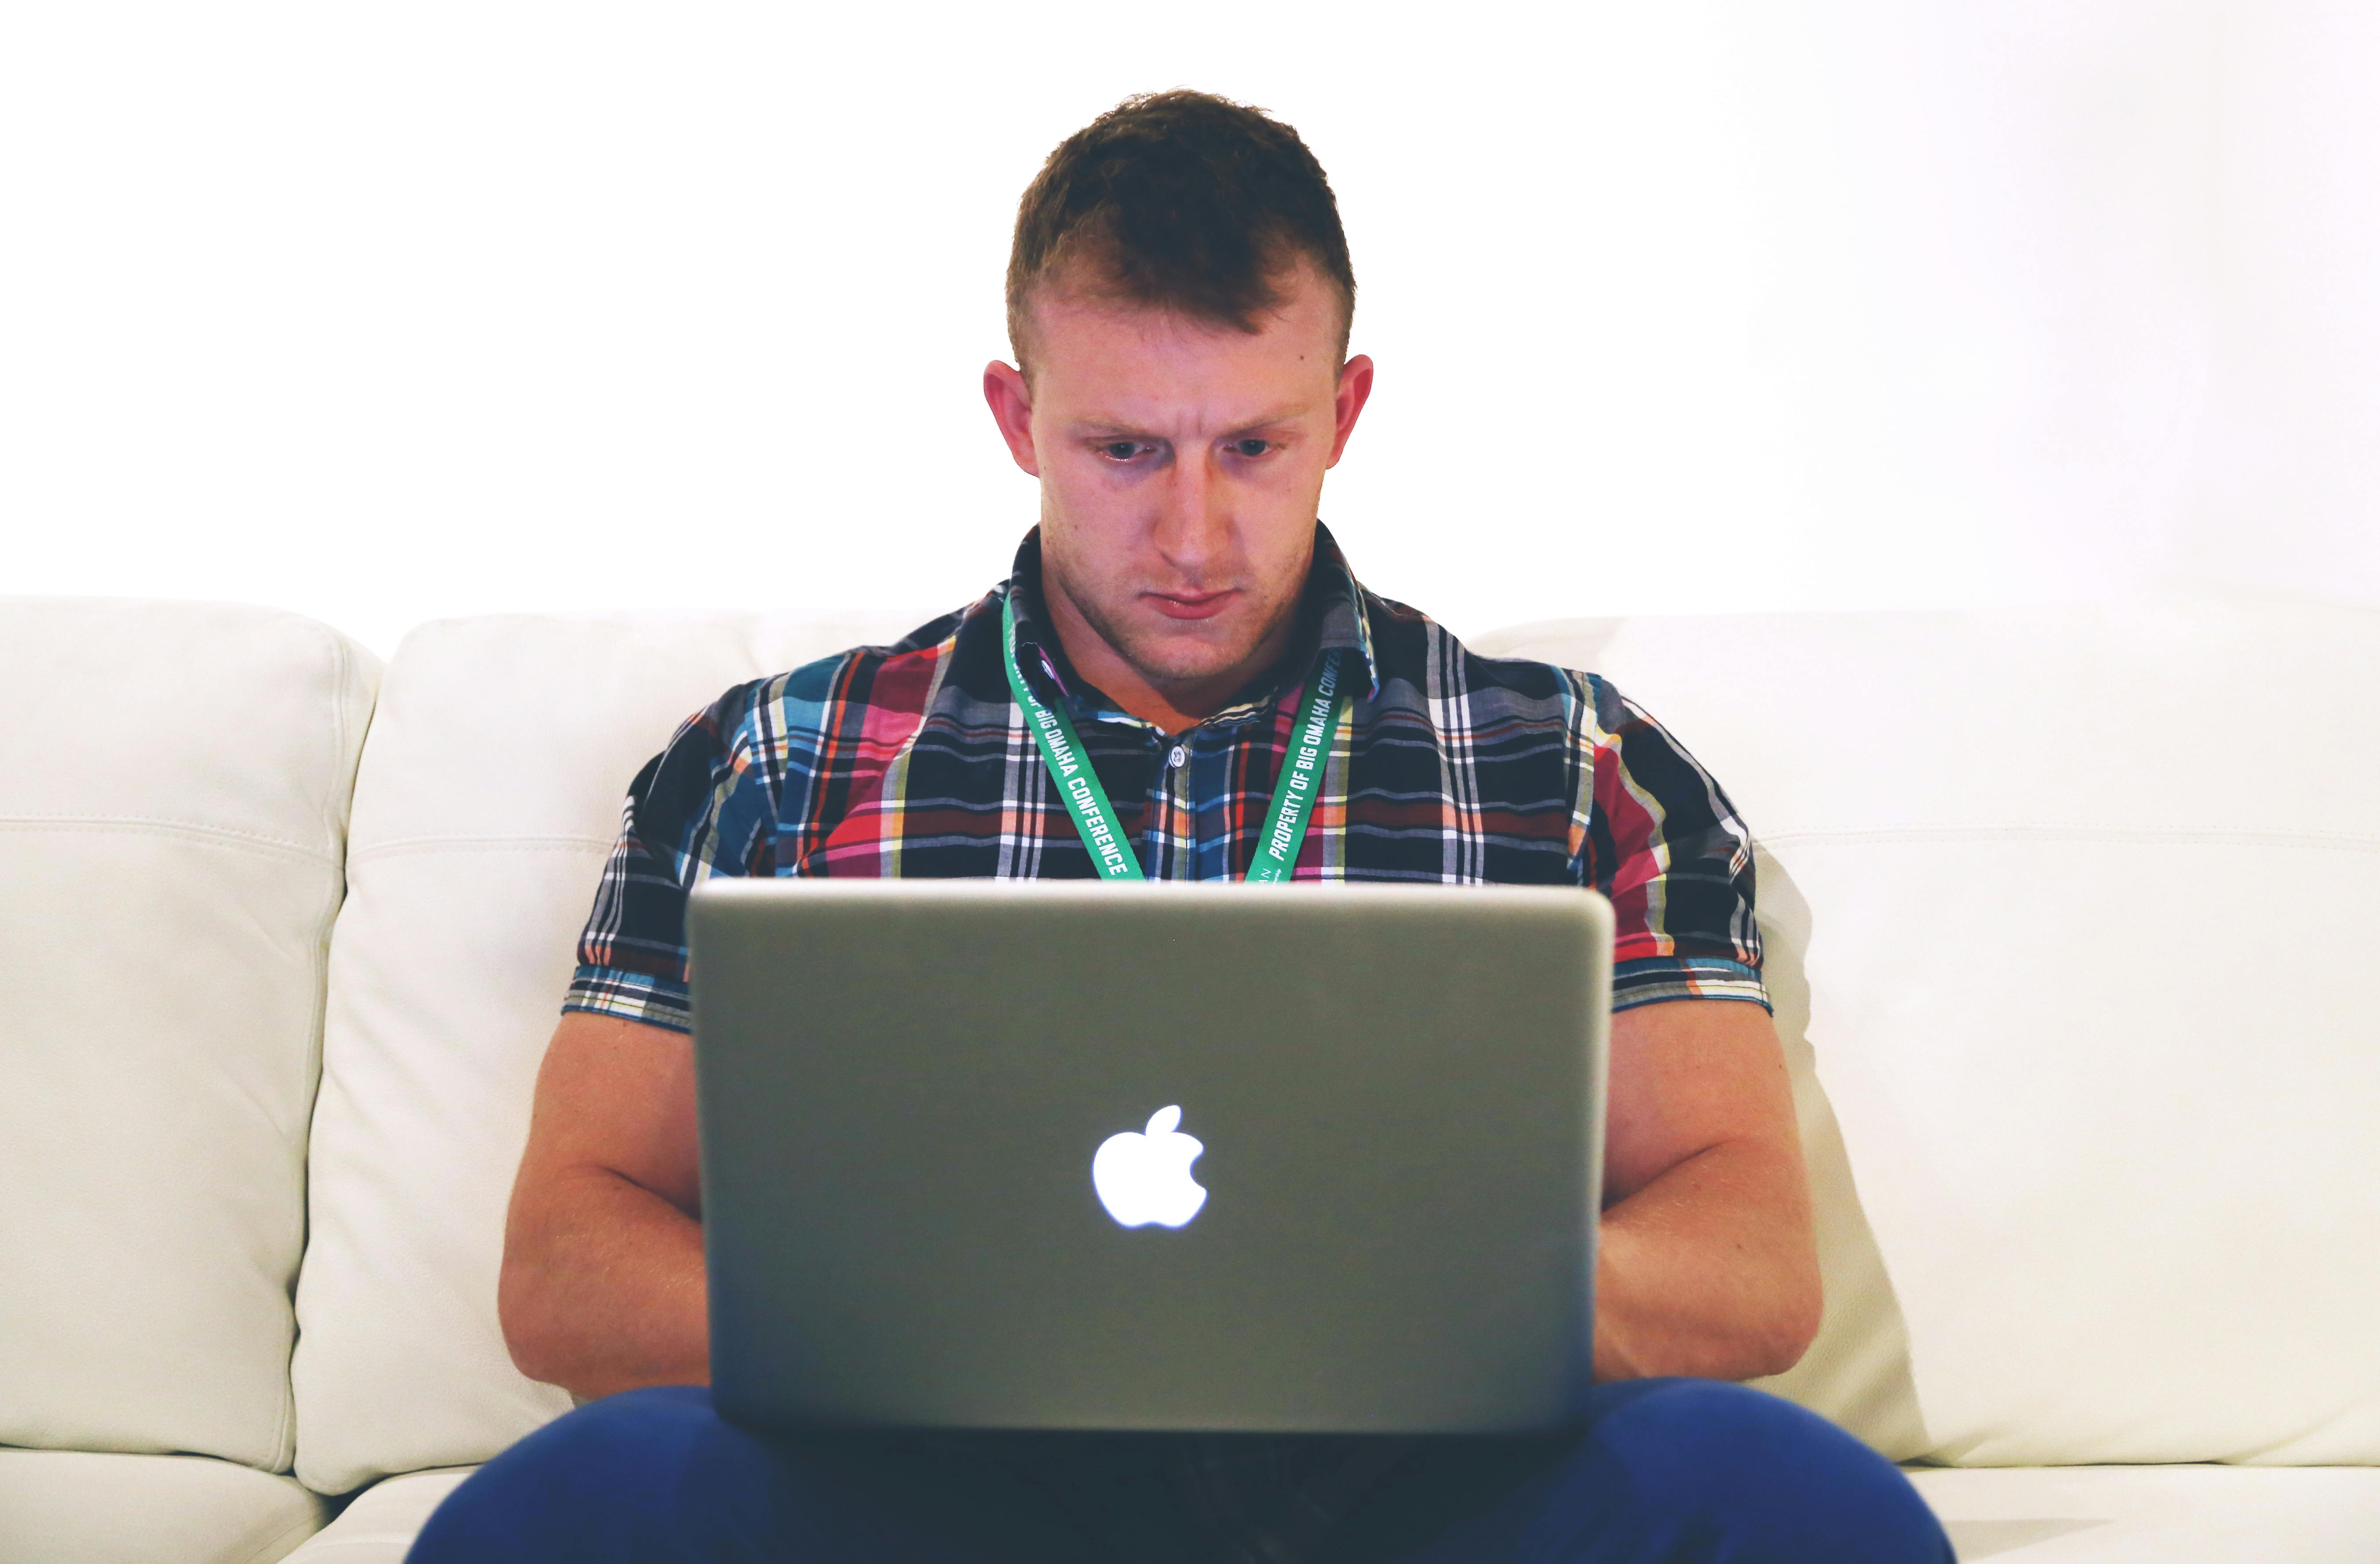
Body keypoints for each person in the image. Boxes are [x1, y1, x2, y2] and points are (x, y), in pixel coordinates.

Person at [411, 90, 1950, 1564]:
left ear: (1344, 408)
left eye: (1255, 448)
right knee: (557, 1513)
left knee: (1800, 1506)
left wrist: (1402, 1302)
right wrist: (976, 1319)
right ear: (1019, 417)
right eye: (1125, 450)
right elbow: (566, 1266)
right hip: (920, 1511)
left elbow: (1748, 1262)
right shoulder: (777, 760)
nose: (1194, 535)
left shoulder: (1571, 759)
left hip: (1422, 1513)